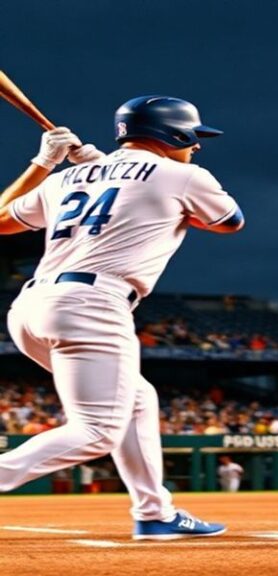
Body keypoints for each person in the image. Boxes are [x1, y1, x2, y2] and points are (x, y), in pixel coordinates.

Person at [0, 95, 244, 540]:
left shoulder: (66, 178)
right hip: (91, 305)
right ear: (171, 135)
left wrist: (44, 164)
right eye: (192, 137)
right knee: (95, 431)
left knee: (137, 399)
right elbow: (230, 221)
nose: (197, 146)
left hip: (31, 310)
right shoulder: (184, 174)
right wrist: (121, 176)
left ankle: (155, 512)